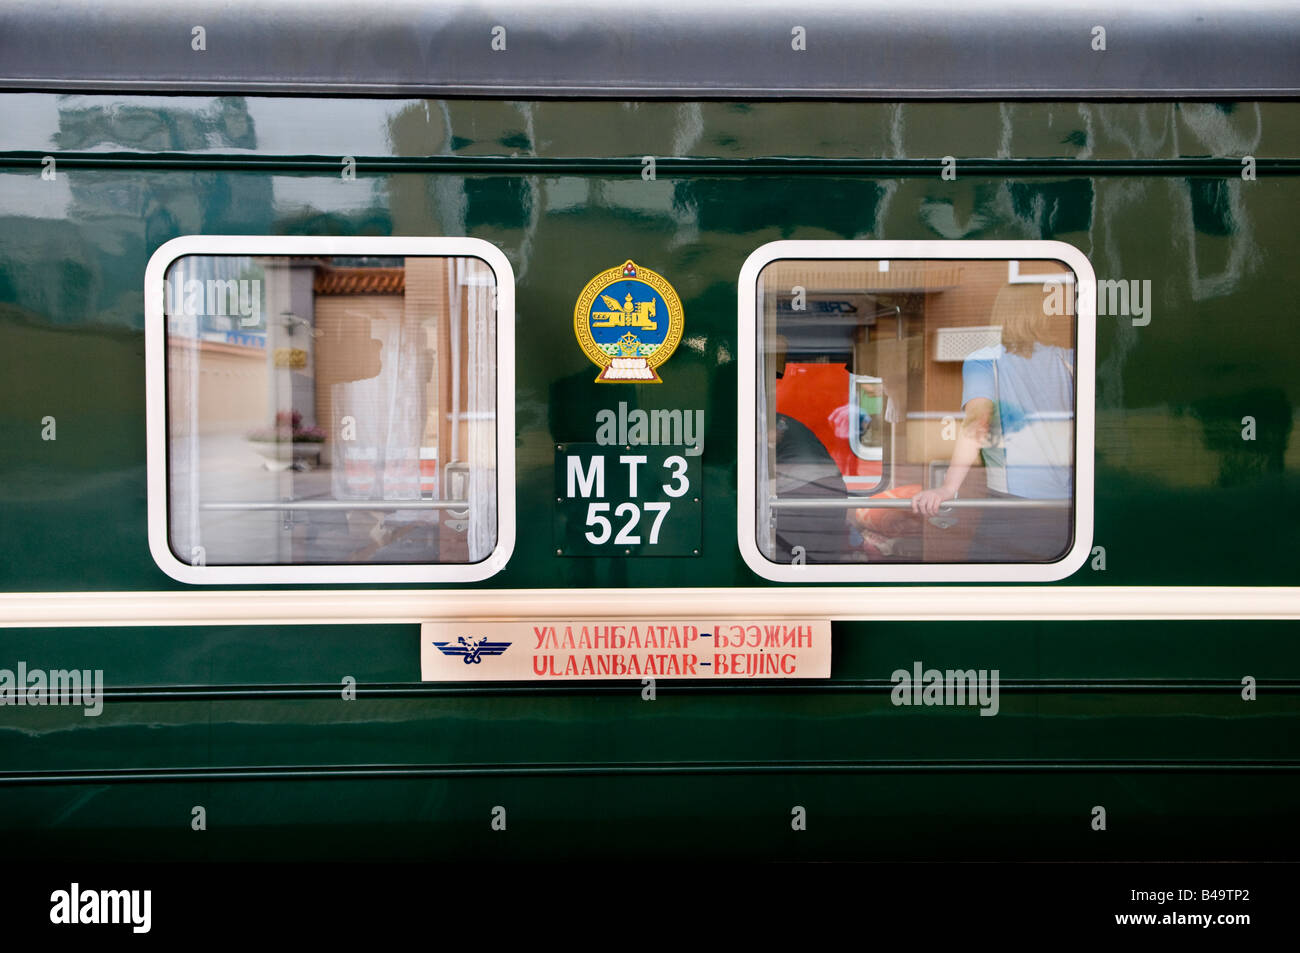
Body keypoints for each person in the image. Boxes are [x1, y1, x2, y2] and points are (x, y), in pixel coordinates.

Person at [911, 282, 1074, 561]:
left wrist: (949, 487)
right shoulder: (1069, 359)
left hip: (1014, 503)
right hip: (1067, 503)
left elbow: (977, 426)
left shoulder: (985, 361)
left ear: (1001, 315)